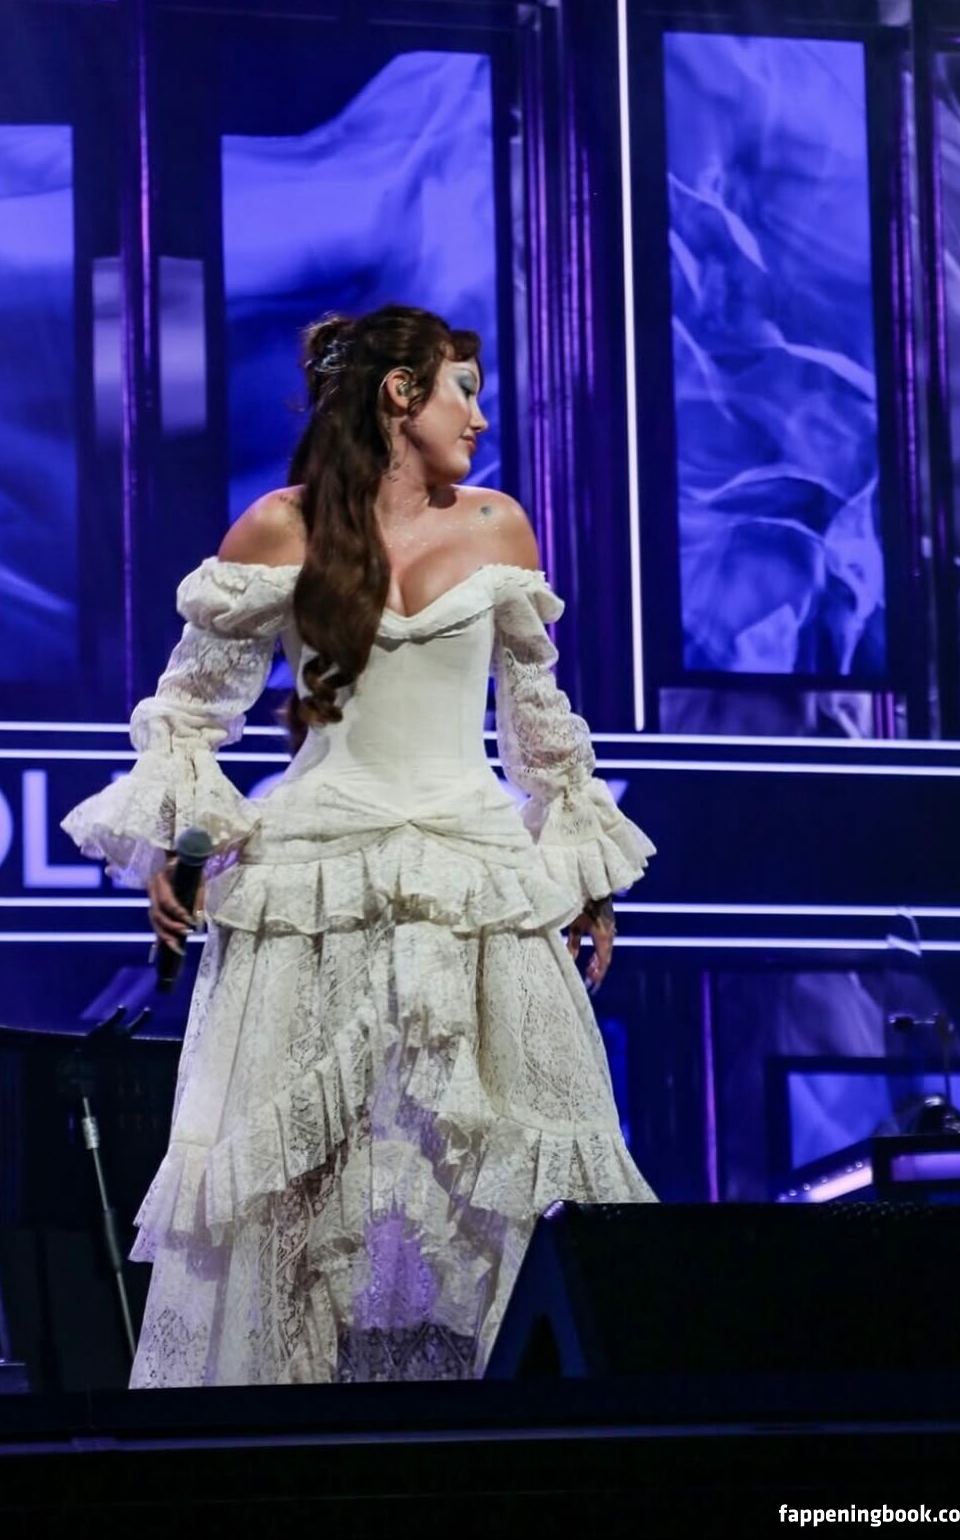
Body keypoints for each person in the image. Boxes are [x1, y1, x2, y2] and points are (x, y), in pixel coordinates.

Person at [61, 302, 657, 1386]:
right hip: (316, 879)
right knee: (300, 1185)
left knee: (489, 1167)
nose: (477, 418)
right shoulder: (279, 529)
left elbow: (537, 722)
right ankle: (292, 1439)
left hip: (470, 878)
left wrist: (583, 874)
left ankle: (504, 1433)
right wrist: (181, 850)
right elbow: (189, 713)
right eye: (462, 390)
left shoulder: (497, 526)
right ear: (399, 393)